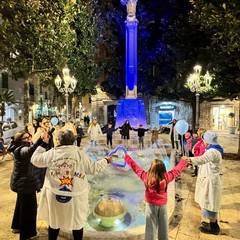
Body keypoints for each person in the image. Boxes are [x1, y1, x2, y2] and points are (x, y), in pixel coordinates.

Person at [30, 130, 113, 240]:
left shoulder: (52, 153)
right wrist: (106, 161)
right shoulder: (79, 154)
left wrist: (43, 144)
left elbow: (34, 159)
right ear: (73, 141)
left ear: (58, 140)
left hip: (55, 194)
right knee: (77, 222)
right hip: (75, 195)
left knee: (54, 221)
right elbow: (94, 169)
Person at [123, 151, 189, 240]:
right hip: (162, 205)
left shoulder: (146, 177)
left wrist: (127, 157)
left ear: (151, 168)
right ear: (163, 169)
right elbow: (176, 171)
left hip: (150, 206)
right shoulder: (166, 177)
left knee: (150, 226)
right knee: (163, 225)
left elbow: (135, 167)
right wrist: (183, 161)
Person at [182, 131, 224, 235]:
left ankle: (214, 227)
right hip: (209, 180)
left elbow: (202, 160)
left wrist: (189, 159)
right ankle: (211, 223)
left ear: (208, 141)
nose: (203, 141)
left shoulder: (212, 152)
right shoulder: (212, 150)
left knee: (210, 203)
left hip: (211, 182)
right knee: (208, 202)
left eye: (204, 139)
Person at [8, 129, 46, 239]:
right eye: (26, 138)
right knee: (29, 209)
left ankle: (17, 226)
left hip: (22, 183)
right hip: (25, 184)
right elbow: (30, 151)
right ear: (20, 140)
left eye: (29, 137)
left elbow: (33, 149)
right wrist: (40, 140)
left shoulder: (18, 147)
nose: (29, 139)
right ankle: (27, 234)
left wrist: (42, 140)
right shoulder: (22, 149)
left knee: (21, 206)